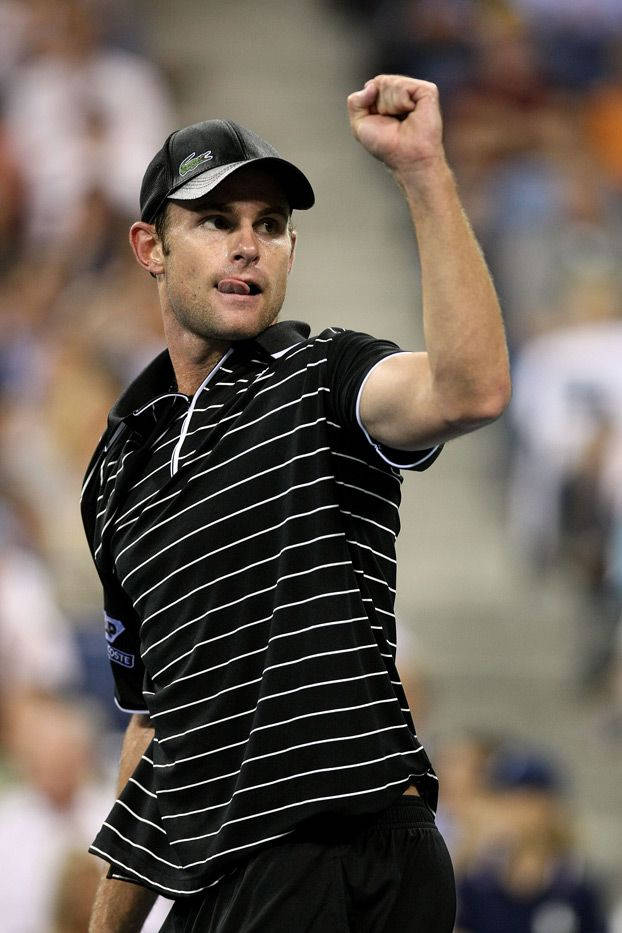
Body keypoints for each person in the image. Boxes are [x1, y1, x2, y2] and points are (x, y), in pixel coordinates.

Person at [81, 74, 510, 932]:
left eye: (269, 226)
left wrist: (423, 169)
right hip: (227, 871)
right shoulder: (117, 475)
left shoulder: (325, 375)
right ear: (150, 247)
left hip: (350, 849)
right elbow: (159, 725)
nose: (249, 244)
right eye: (215, 221)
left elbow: (472, 389)